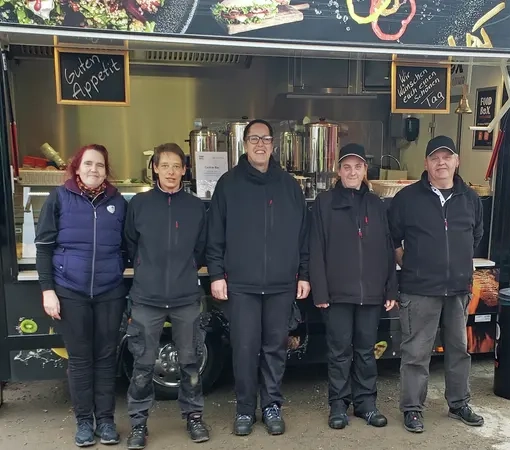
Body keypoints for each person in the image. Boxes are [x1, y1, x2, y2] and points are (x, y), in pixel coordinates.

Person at [206, 119, 311, 437]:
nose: (260, 144)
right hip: (242, 285)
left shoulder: (289, 185)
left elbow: (303, 236)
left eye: (265, 139)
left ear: (273, 144)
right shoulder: (228, 184)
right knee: (244, 347)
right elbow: (215, 235)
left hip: (281, 285)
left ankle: (271, 406)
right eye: (254, 139)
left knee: (275, 348)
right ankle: (244, 409)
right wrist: (216, 274)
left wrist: (303, 274)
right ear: (245, 144)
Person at [388, 135, 485, 433]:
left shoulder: (470, 199)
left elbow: (475, 237)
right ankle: (413, 409)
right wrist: (411, 264)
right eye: (435, 158)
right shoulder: (407, 199)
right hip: (419, 290)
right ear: (426, 163)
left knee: (459, 350)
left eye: (447, 157)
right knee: (416, 353)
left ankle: (458, 404)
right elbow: (392, 239)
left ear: (457, 161)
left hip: (457, 290)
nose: (441, 162)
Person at [35, 144, 128, 447]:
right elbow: (44, 247)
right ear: (77, 167)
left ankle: (106, 420)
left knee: (105, 358)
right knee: (79, 360)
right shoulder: (59, 198)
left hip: (109, 291)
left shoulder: (117, 202)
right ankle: (84, 422)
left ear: (106, 170)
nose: (93, 169)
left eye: (100, 165)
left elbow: (127, 247)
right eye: (88, 164)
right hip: (70, 290)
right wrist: (48, 290)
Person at [123, 143, 209, 448]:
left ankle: (194, 417)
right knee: (143, 365)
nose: (171, 172)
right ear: (155, 169)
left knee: (190, 363)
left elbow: (200, 250)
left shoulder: (196, 207)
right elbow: (131, 246)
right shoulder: (139, 205)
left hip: (186, 296)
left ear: (185, 170)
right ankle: (138, 424)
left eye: (177, 166)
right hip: (147, 298)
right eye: (165, 166)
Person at [309, 144, 397, 430]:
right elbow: (316, 248)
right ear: (338, 171)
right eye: (346, 167)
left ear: (364, 171)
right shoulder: (324, 202)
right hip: (337, 294)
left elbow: (387, 248)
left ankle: (366, 405)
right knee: (338, 352)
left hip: (371, 294)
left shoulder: (376, 204)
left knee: (365, 351)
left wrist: (390, 289)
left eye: (357, 167)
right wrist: (320, 291)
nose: (352, 172)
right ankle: (338, 406)